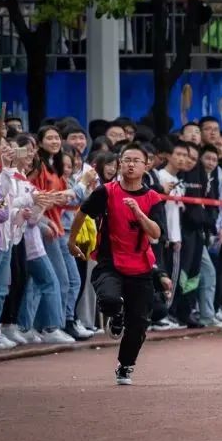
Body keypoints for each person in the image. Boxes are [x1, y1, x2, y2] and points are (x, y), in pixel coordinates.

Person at [68, 143, 170, 385]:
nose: (131, 164)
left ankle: (125, 366)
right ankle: (116, 315)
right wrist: (72, 241)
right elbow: (81, 213)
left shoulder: (153, 197)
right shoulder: (106, 192)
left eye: (136, 160)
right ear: (120, 164)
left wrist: (138, 213)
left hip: (141, 267)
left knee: (139, 325)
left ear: (147, 165)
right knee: (110, 300)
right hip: (109, 261)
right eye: (126, 160)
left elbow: (156, 233)